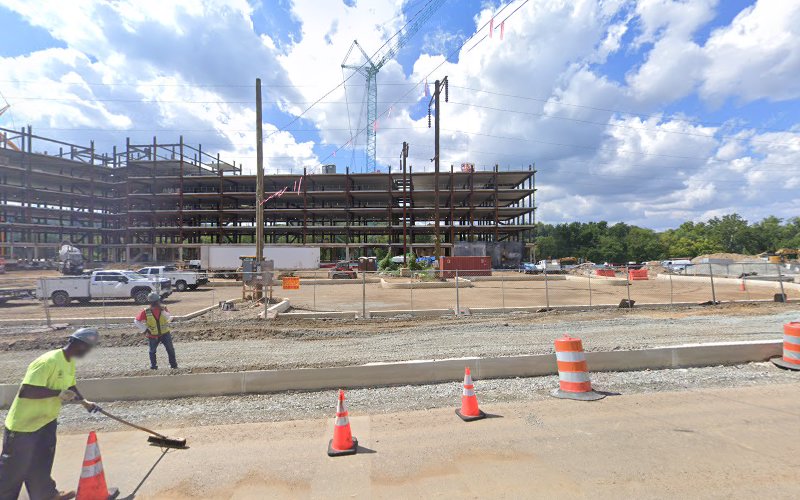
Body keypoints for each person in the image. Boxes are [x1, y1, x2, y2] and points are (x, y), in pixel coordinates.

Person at [0, 328, 101, 500]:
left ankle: (46, 495)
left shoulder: (69, 362)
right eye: (89, 348)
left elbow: (70, 386)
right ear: (80, 345)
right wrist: (57, 393)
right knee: (13, 471)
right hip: (23, 427)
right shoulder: (47, 362)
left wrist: (84, 402)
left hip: (46, 422)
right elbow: (26, 391)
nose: (89, 352)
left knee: (41, 464)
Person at [134, 292, 178, 370]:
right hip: (153, 335)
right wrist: (145, 329)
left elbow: (169, 318)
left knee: (169, 349)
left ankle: (173, 365)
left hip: (164, 333)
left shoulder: (163, 309)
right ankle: (154, 366)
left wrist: (163, 311)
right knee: (153, 351)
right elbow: (136, 321)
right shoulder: (146, 311)